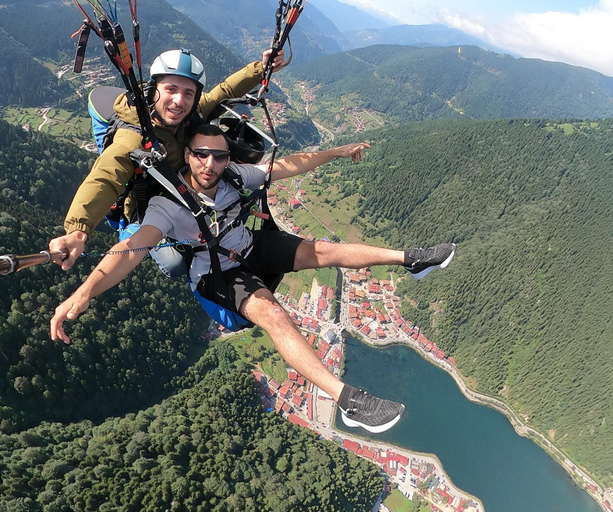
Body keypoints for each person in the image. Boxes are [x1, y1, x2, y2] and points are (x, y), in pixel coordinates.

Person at [50, 124, 457, 433]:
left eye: (218, 156)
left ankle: (412, 259)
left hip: (247, 246)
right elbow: (131, 250)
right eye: (200, 155)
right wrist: (86, 290)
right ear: (187, 156)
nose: (209, 165)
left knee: (324, 250)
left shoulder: (234, 176)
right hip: (215, 273)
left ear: (228, 159)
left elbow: (289, 166)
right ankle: (347, 400)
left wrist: (339, 151)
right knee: (275, 316)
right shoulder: (166, 207)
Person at [49, 48, 288, 271]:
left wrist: (261, 68)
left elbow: (225, 91)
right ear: (154, 90)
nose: (179, 101)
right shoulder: (134, 139)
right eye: (171, 89)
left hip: (179, 187)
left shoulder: (190, 114)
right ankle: (128, 229)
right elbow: (106, 177)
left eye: (188, 93)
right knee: (175, 264)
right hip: (147, 206)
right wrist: (78, 230)